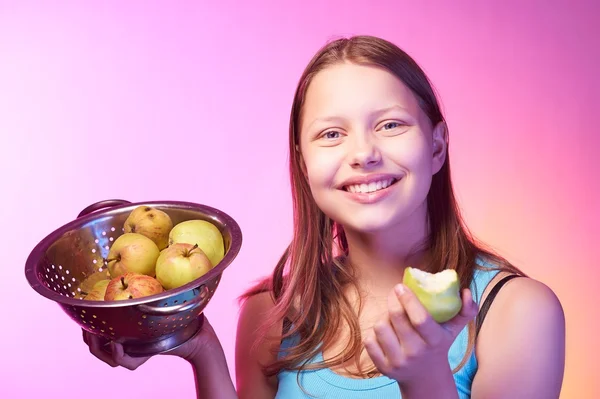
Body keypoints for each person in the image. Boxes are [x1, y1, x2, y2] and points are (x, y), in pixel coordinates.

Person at [84, 35, 566, 398]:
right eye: (331, 134)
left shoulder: (516, 311)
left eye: (390, 125)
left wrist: (425, 378)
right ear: (303, 163)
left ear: (436, 146)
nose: (363, 153)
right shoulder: (271, 313)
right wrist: (198, 346)